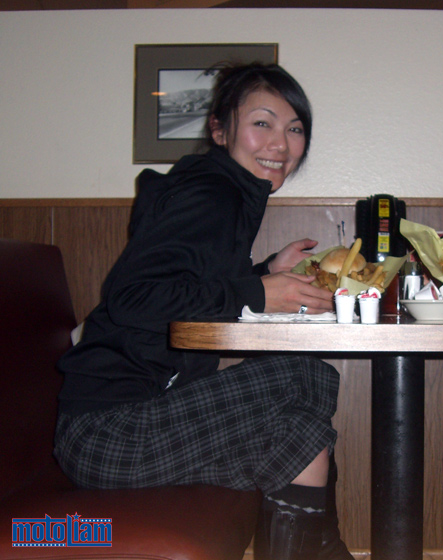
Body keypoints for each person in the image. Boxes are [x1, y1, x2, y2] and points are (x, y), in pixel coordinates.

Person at [55, 63, 353, 560]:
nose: (281, 144)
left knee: (300, 434)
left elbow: (190, 288)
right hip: (108, 431)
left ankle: (325, 550)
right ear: (220, 129)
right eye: (262, 123)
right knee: (305, 374)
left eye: (295, 128)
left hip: (138, 418)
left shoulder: (227, 193)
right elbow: (132, 297)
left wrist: (264, 272)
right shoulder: (211, 193)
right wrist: (256, 293)